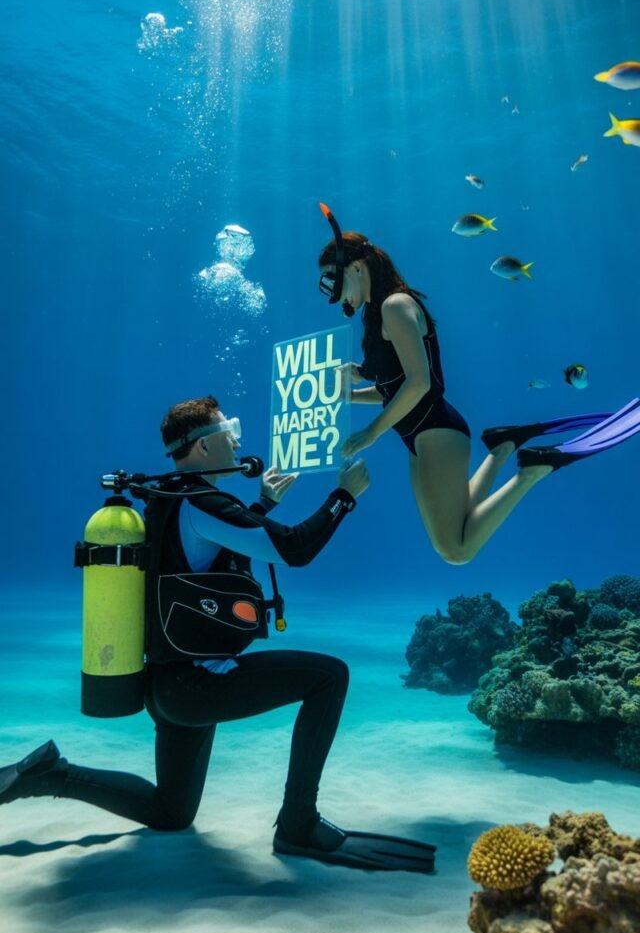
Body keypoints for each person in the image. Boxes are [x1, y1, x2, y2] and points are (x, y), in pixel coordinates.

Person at [0, 395, 435, 874]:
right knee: (329, 676)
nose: (238, 442)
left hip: (167, 687)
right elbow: (293, 549)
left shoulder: (169, 500)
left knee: (171, 813)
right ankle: (298, 825)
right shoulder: (202, 502)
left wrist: (265, 503)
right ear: (204, 448)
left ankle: (50, 774)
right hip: (198, 684)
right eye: (230, 434)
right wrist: (344, 496)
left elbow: (215, 556)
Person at [317, 203, 640, 565]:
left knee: (456, 550)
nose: (333, 292)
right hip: (419, 435)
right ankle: (502, 447)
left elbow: (421, 383)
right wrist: (347, 394)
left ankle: (534, 469)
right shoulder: (376, 314)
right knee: (458, 526)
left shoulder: (395, 305)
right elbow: (393, 389)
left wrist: (372, 432)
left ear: (356, 267)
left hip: (436, 430)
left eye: (334, 278)